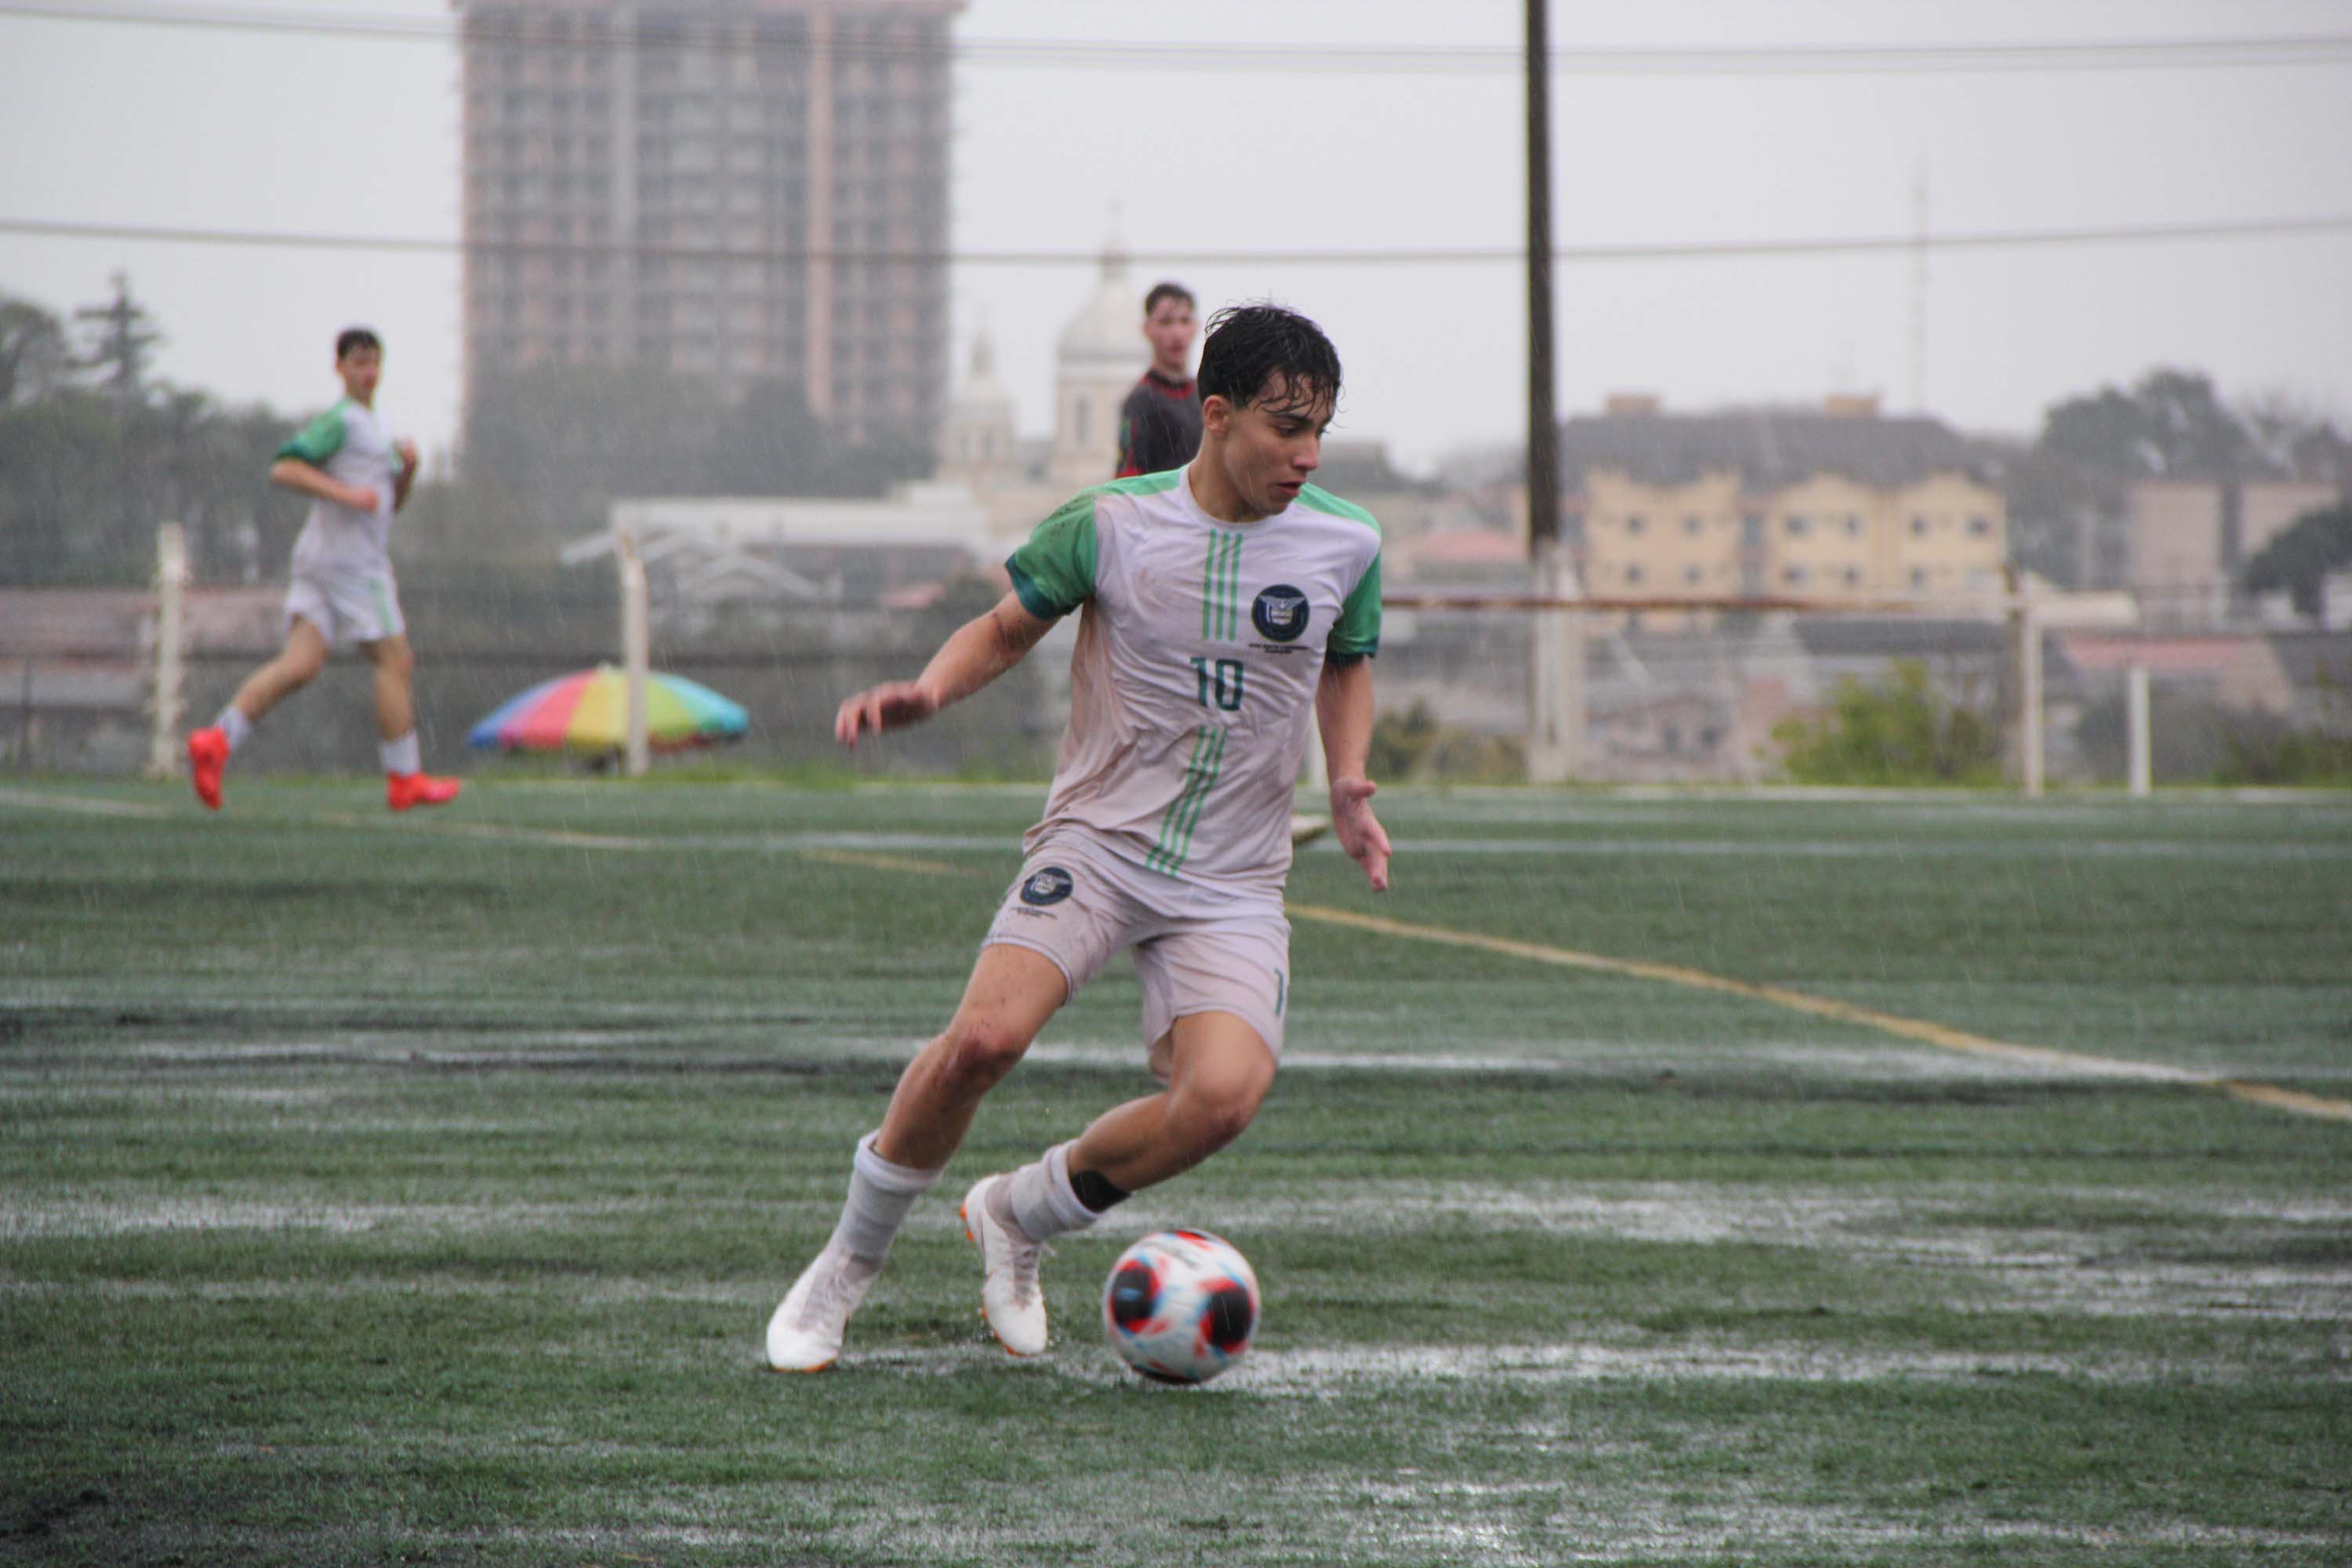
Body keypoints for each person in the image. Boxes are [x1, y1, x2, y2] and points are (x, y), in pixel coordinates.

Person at [768, 303, 1390, 1373]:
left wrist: (1347, 781)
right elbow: (1007, 626)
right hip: (1096, 844)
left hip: (1234, 876)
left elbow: (1347, 664)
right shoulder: (1107, 521)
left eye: (1321, 429)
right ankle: (843, 1270)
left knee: (1222, 1100)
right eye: (1286, 426)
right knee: (981, 1045)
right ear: (1216, 413)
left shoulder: (1348, 540)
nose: (1307, 454)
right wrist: (927, 690)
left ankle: (1018, 1215)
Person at [185, 328, 460, 814]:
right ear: (339, 369)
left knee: (300, 666)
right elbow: (284, 468)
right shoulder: (343, 422)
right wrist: (346, 495)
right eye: (358, 363)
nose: (369, 372)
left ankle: (216, 740)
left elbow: (390, 507)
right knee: (395, 661)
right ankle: (404, 779)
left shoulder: (375, 429)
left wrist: (409, 473)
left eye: (375, 362)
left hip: (321, 560)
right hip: (354, 565)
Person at [1113, 281, 1201, 478]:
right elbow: (1128, 476)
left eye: (1185, 321)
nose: (1177, 333)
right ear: (1147, 329)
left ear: (1195, 327)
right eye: (1166, 322)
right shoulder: (1141, 401)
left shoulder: (1205, 395)